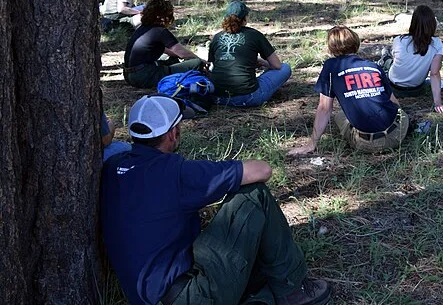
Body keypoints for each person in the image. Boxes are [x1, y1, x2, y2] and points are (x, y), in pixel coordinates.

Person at [101, 94, 330, 305]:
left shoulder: (112, 166)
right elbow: (262, 170)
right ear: (173, 133)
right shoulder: (176, 173)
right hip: (188, 296)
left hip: (146, 296)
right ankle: (293, 291)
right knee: (253, 195)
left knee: (252, 272)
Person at [288, 26, 408, 156]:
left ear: (331, 48)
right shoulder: (374, 67)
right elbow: (394, 103)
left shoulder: (331, 66)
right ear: (356, 43)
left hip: (367, 144)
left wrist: (311, 144)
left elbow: (324, 108)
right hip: (397, 135)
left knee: (340, 116)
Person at [209, 0, 292, 107]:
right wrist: (261, 62)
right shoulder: (255, 35)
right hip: (248, 97)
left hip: (217, 97)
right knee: (285, 68)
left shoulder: (217, 37)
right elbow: (277, 65)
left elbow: (214, 66)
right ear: (245, 18)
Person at [123, 0, 206, 89]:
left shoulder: (142, 28)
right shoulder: (160, 31)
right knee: (196, 63)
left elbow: (168, 51)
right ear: (163, 16)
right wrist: (201, 61)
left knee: (171, 60)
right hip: (144, 76)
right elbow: (182, 53)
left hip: (129, 75)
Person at [380, 5, 443, 113]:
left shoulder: (399, 40)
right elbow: (434, 74)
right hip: (416, 89)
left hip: (394, 87)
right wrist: (438, 104)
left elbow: (398, 59)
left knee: (388, 61)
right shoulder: (437, 44)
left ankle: (383, 59)